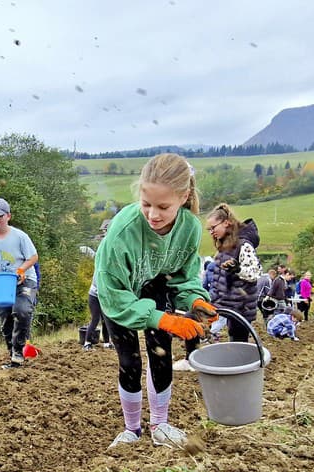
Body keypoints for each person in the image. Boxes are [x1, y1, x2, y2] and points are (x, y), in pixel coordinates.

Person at [95, 154, 218, 450]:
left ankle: (160, 425)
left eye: (163, 207)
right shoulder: (123, 231)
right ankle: (132, 430)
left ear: (183, 197)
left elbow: (184, 276)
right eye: (146, 203)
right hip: (117, 292)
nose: (153, 215)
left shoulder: (189, 228)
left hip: (154, 283)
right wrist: (161, 318)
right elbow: (113, 294)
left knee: (161, 355)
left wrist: (196, 300)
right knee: (130, 361)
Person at [0, 198, 39, 369]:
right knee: (5, 319)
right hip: (1, 283)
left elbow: (33, 257)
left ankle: (18, 352)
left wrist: (22, 269)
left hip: (24, 280)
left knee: (22, 311)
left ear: (8, 216)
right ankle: (13, 353)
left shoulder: (19, 236)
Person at [205, 203, 262, 343]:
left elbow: (255, 272)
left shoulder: (243, 245)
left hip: (240, 305)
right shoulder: (223, 246)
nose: (211, 232)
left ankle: (242, 363)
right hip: (225, 303)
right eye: (209, 229)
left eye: (213, 228)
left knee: (238, 340)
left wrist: (237, 269)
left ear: (226, 223)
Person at [83, 271, 112, 350]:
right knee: (95, 319)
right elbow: (101, 286)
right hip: (94, 296)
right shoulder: (100, 270)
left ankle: (107, 343)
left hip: (104, 297)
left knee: (106, 320)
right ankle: (87, 343)